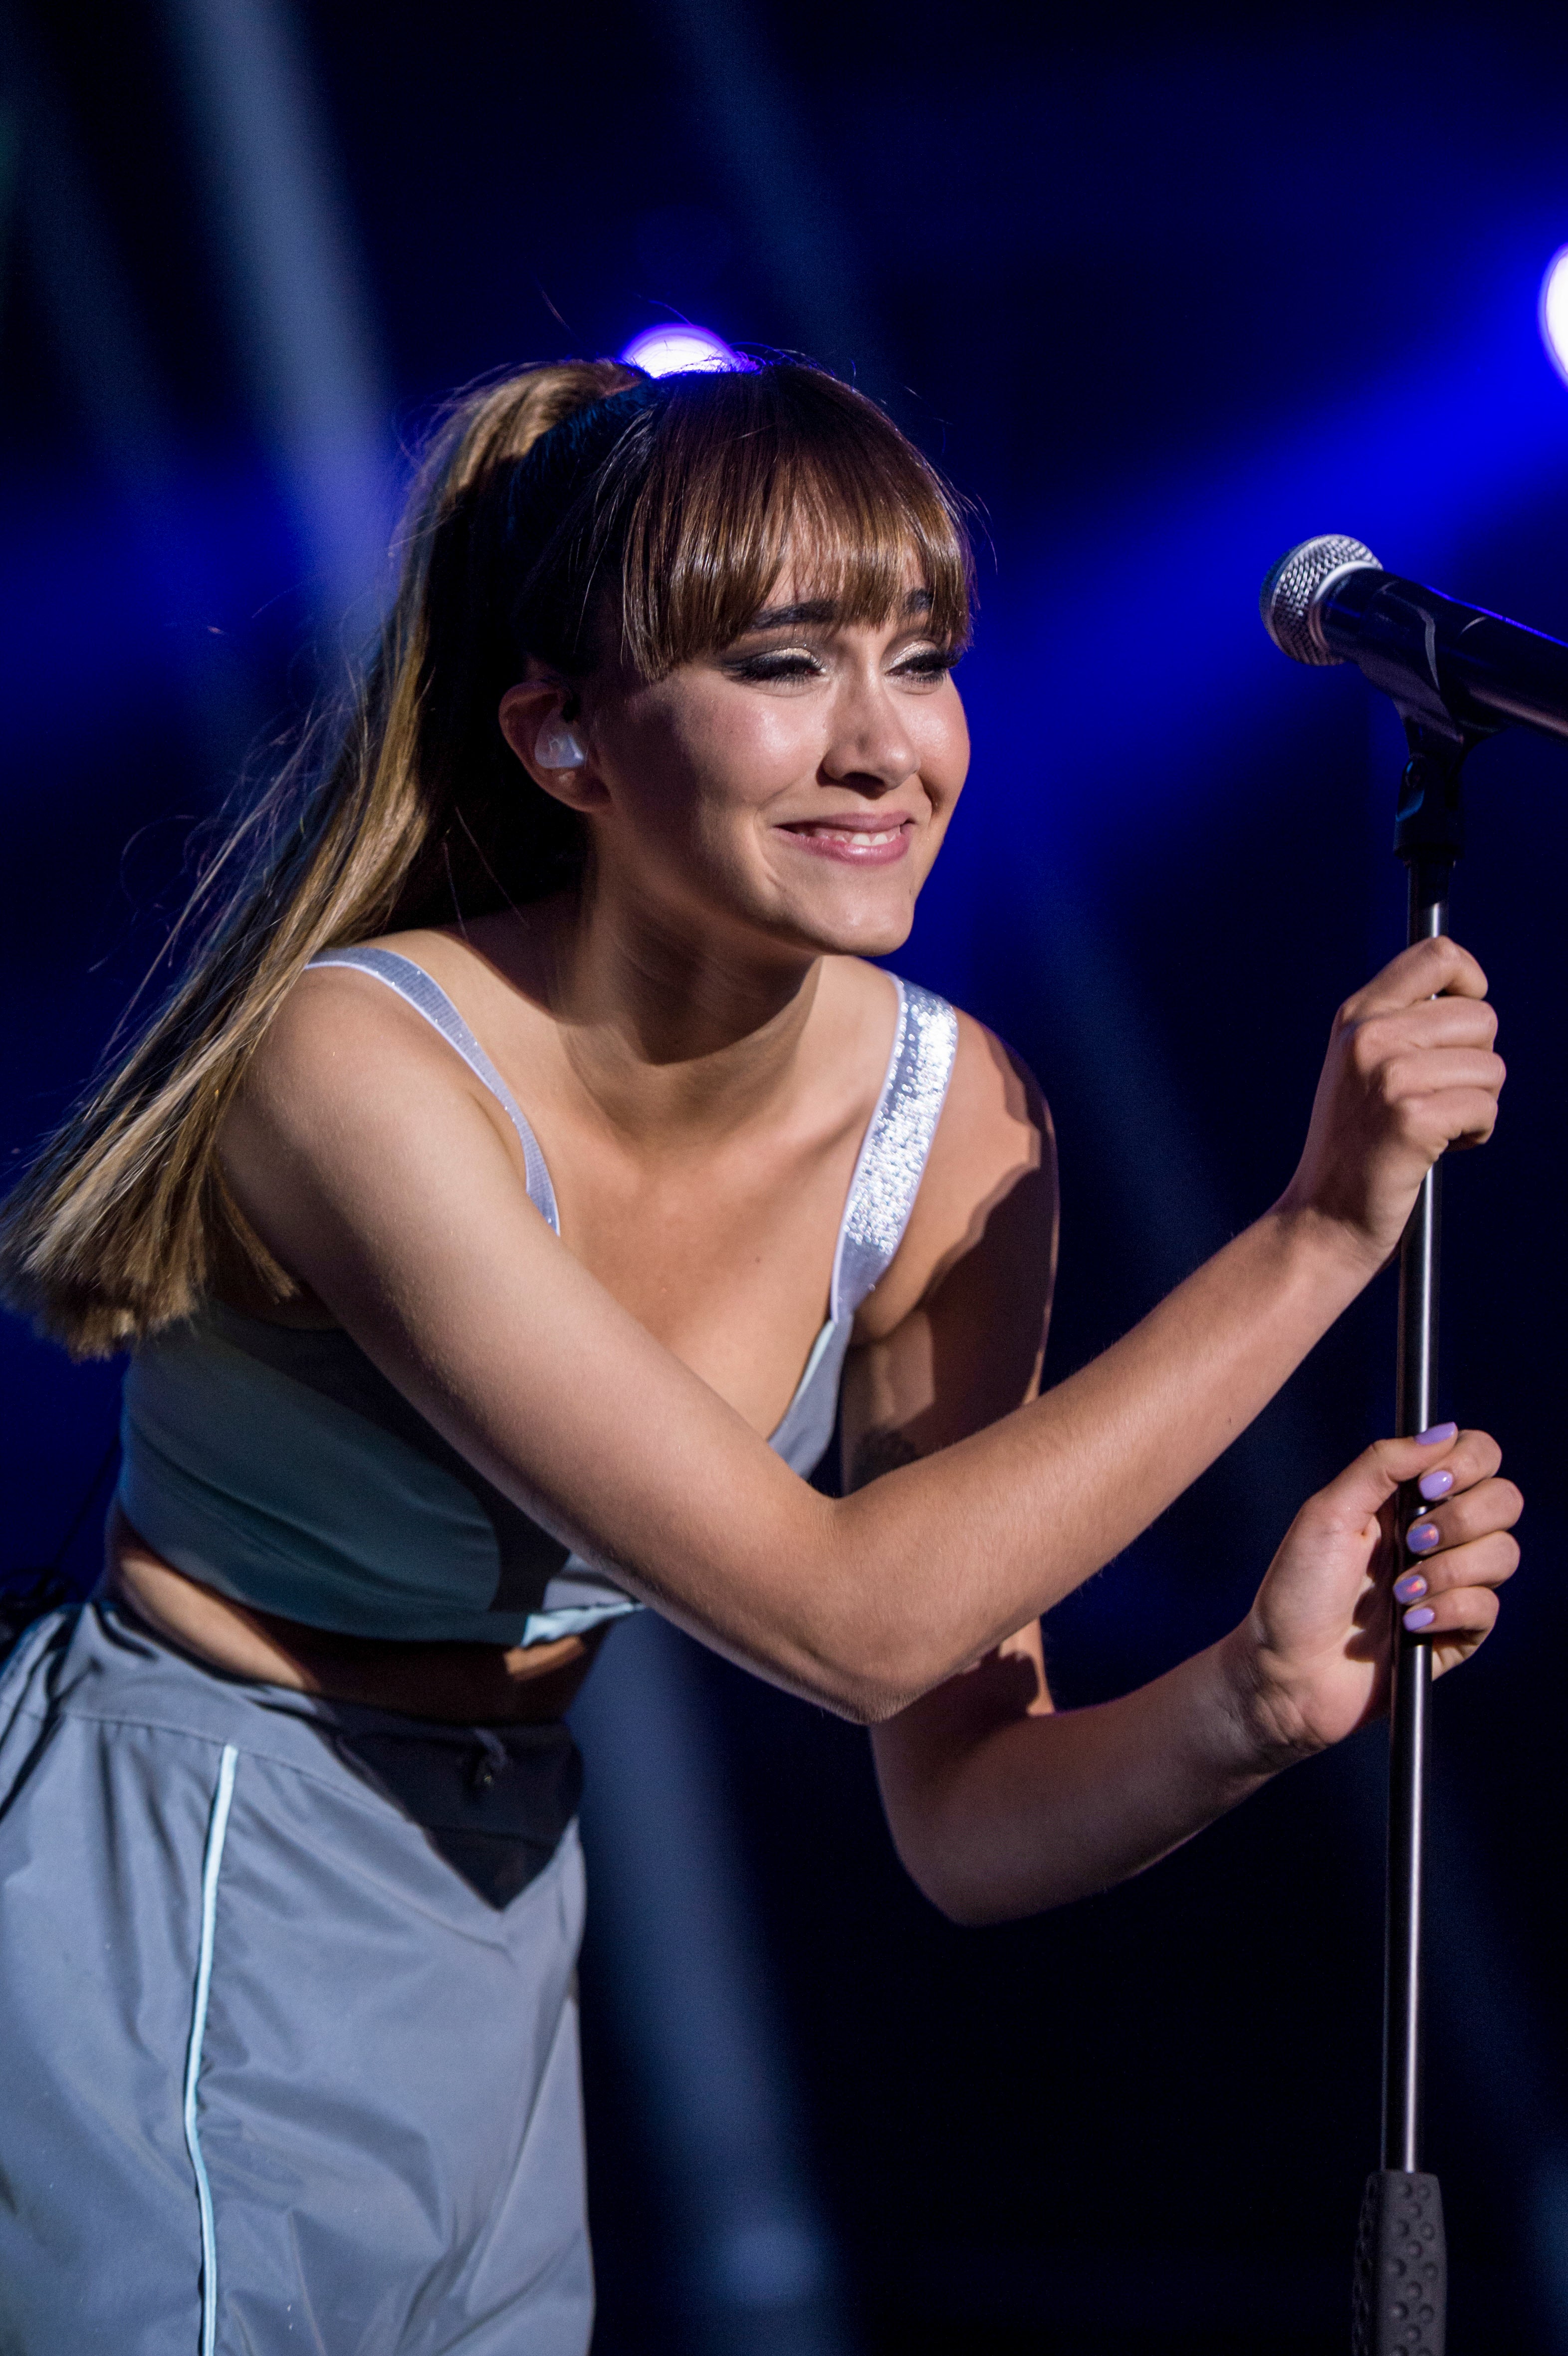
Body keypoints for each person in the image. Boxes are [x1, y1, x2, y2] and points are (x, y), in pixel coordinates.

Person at [0, 357, 1519, 2355]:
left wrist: (1246, 1694)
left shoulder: (955, 1121)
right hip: (176, 1860)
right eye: (788, 663)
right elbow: (846, 1620)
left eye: (925, 656)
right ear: (565, 737)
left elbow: (962, 1806)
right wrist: (1322, 1232)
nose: (888, 743)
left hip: (496, 1908)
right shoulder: (356, 1061)